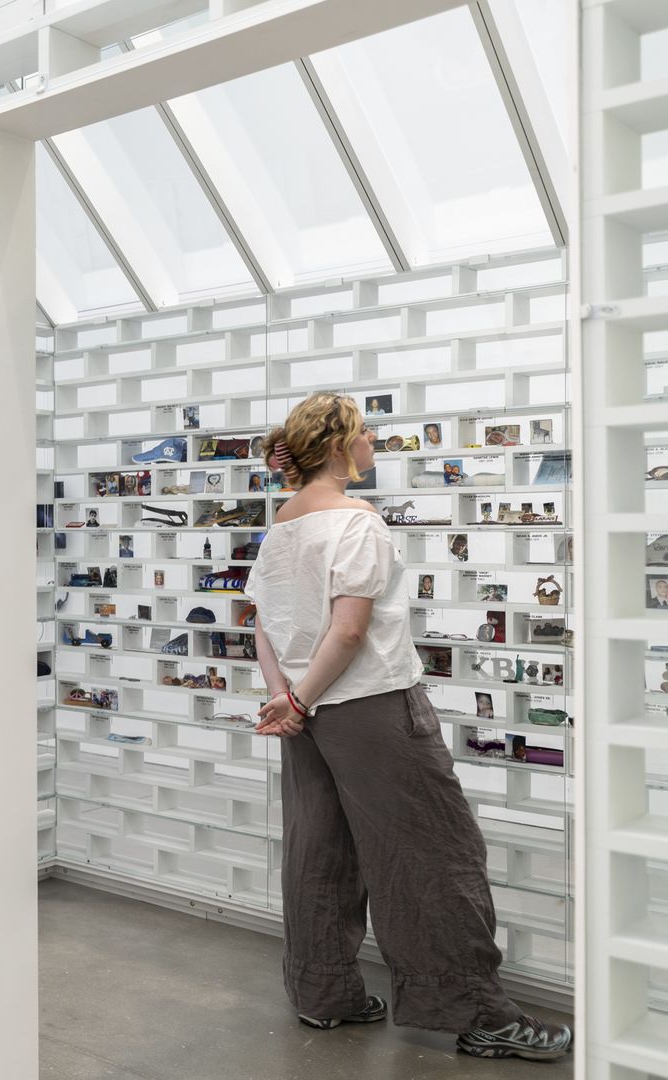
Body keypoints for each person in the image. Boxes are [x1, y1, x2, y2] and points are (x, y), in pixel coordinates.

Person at [244, 392, 569, 1061]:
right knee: (432, 853)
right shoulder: (356, 521)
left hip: (307, 714)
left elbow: (263, 626)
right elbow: (351, 629)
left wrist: (286, 700)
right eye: (366, 436)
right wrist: (300, 701)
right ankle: (475, 1013)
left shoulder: (282, 524)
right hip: (367, 707)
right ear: (337, 447)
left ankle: (323, 994)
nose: (373, 447)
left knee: (319, 852)